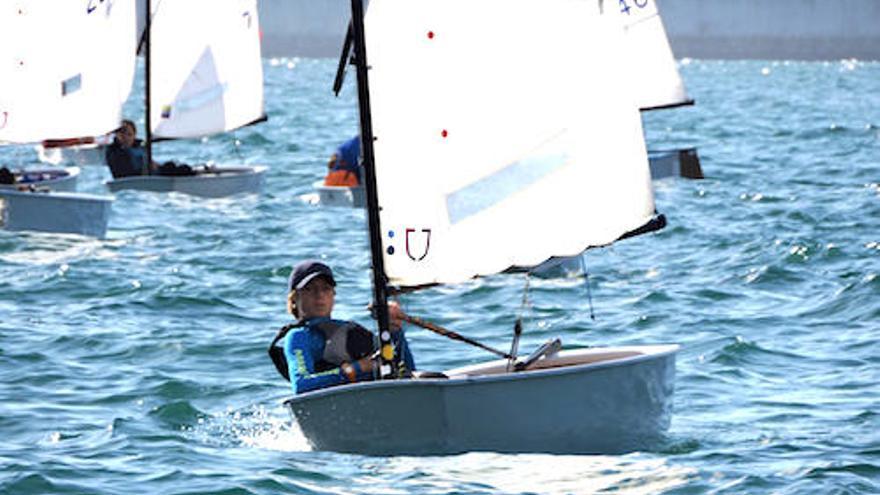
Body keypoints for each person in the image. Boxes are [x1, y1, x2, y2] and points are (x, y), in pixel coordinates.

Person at [268, 260, 416, 394]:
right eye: (309, 289)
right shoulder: (298, 336)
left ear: (333, 295)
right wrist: (355, 369)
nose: (319, 295)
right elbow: (301, 384)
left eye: (325, 288)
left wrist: (395, 330)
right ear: (294, 298)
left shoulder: (353, 332)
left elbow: (407, 370)